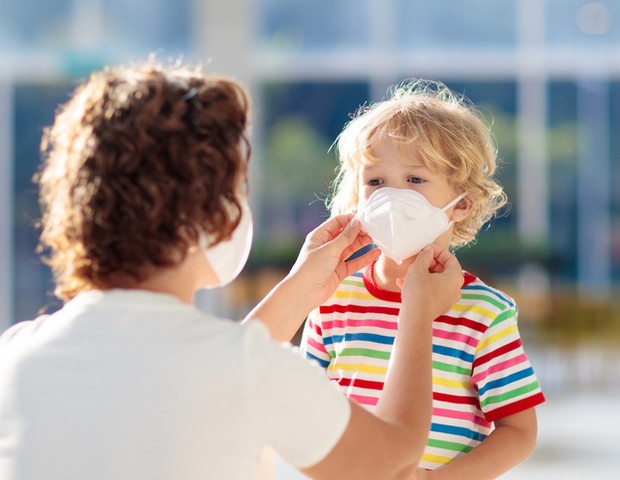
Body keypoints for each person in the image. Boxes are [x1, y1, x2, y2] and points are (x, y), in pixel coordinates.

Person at [0, 62, 465, 480]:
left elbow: (207, 378)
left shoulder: (14, 354)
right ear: (212, 213)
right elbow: (392, 460)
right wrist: (418, 310)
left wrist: (301, 289)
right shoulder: (247, 370)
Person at [299, 79, 546, 479]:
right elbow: (306, 409)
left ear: (461, 202)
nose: (392, 197)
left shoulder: (485, 313)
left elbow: (519, 431)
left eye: (415, 180)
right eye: (375, 181)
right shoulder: (332, 299)